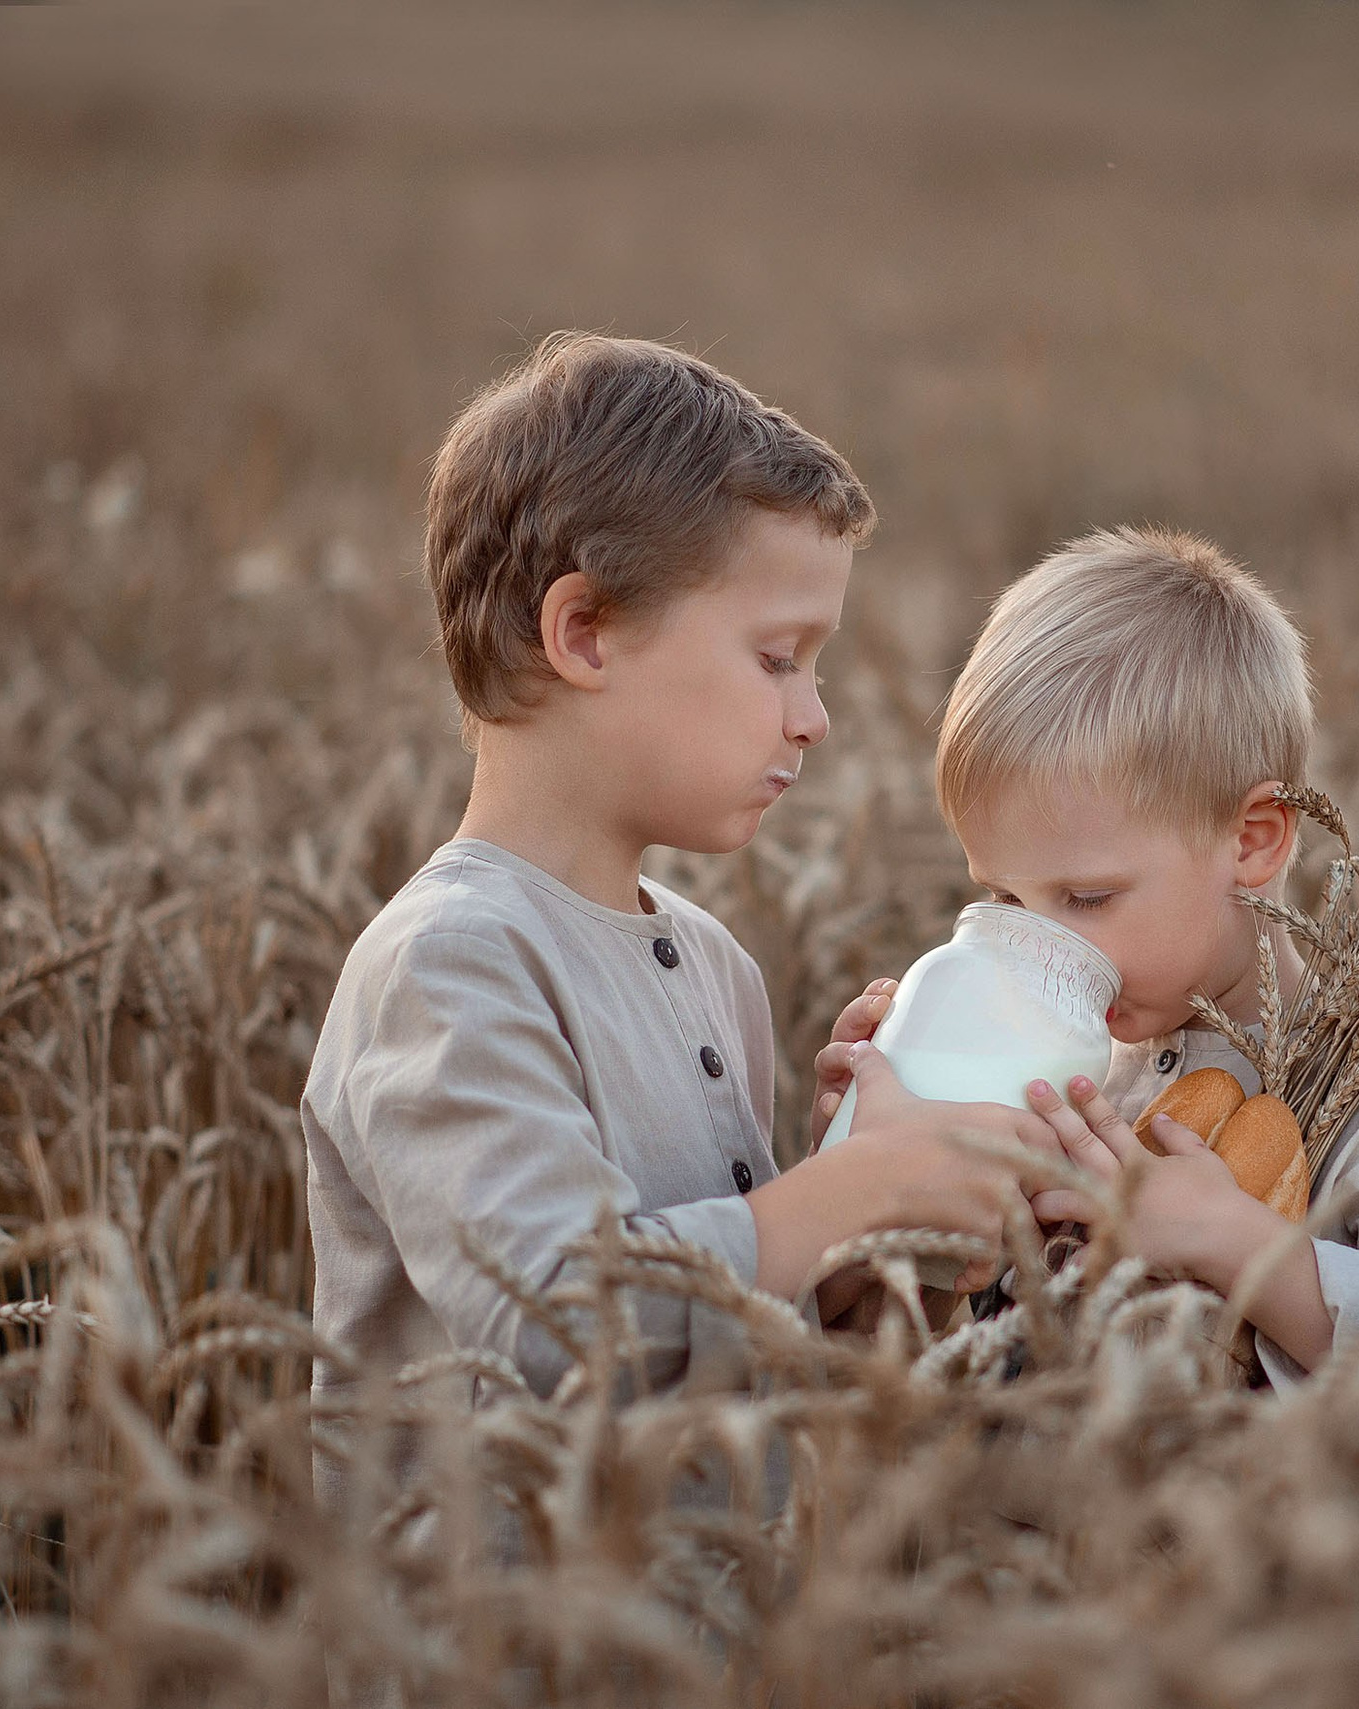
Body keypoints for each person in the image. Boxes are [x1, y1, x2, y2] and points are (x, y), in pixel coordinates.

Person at [302, 333, 1053, 1422]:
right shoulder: (448, 961)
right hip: (509, 1593)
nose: (816, 713)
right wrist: (845, 1193)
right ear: (586, 633)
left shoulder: (716, 967)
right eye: (776, 657)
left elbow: (740, 1343)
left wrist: (876, 1220)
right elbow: (555, 1313)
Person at [912, 526, 1359, 1386]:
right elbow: (941, 1357)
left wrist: (1232, 1244)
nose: (1044, 951)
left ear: (1253, 842)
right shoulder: (1066, 1072)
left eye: (1088, 899)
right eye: (1005, 898)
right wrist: (902, 1196)